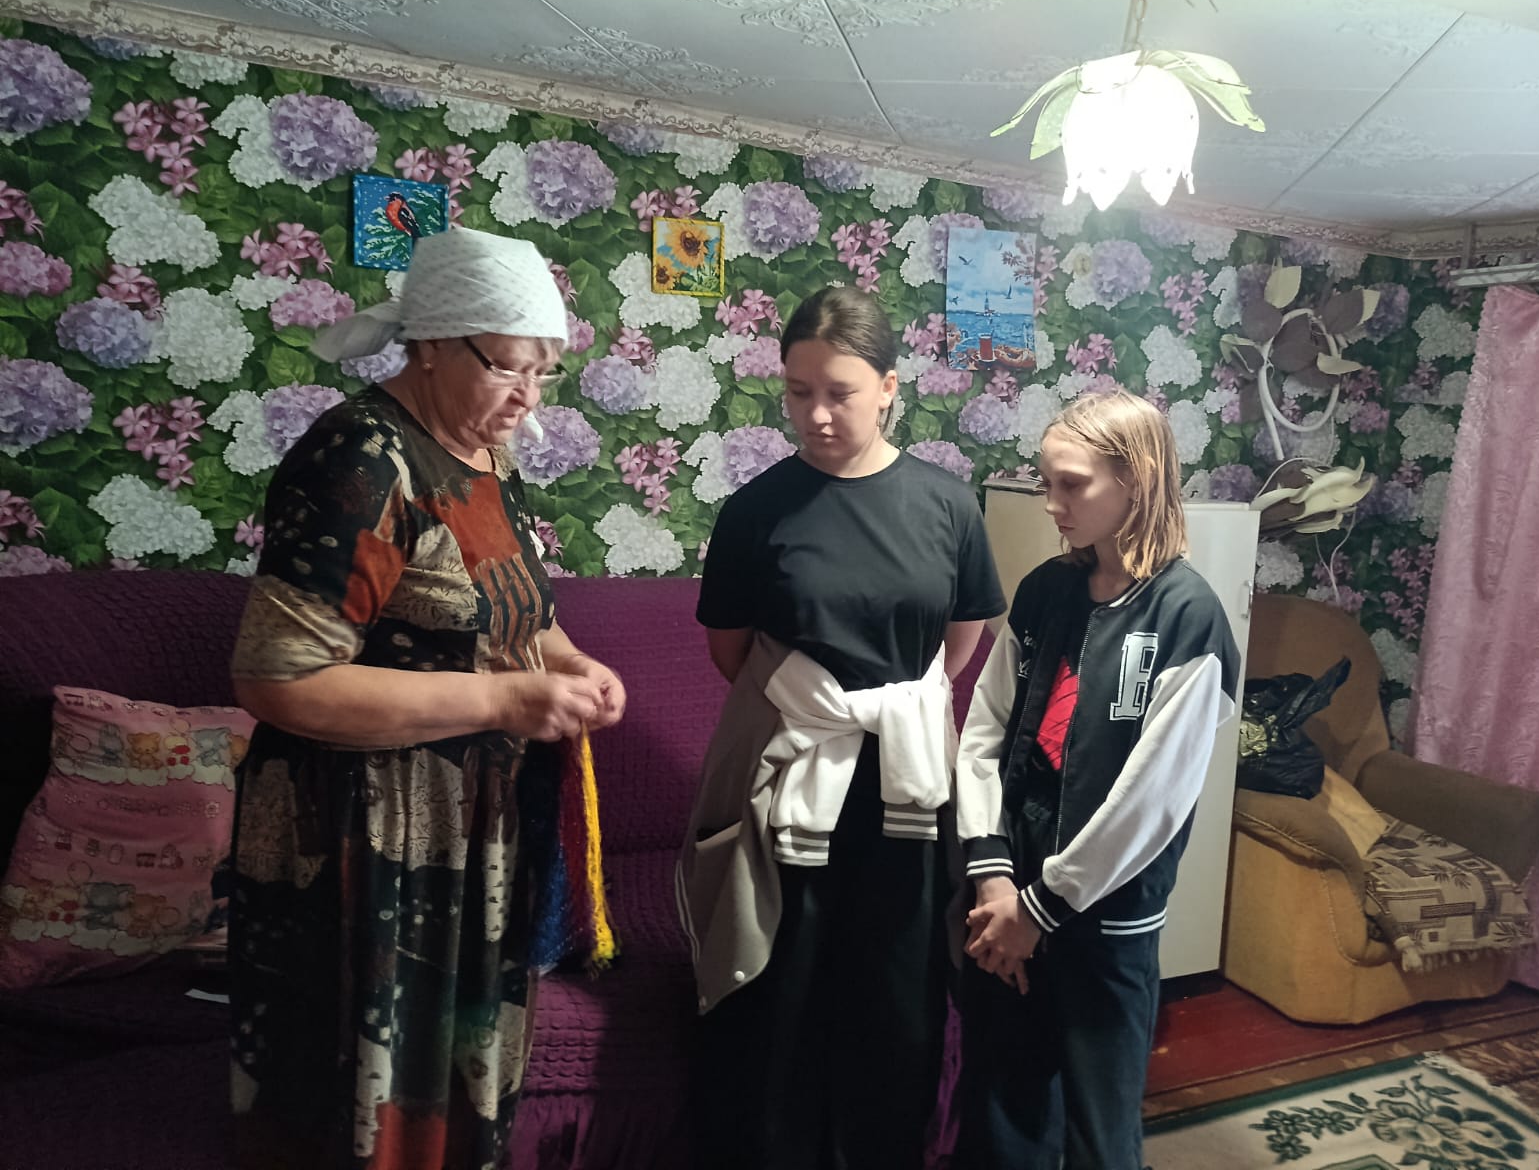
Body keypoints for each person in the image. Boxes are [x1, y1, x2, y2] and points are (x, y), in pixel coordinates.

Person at [226, 227, 626, 1170]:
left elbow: (509, 614)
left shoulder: (484, 457)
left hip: (469, 828)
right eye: (509, 368)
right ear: (434, 344)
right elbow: (278, 678)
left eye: (544, 373)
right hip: (361, 832)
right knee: (360, 1106)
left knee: (452, 1091)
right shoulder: (358, 461)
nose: (528, 400)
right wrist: (502, 704)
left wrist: (570, 662)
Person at [678, 285, 1008, 1170]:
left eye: (840, 393)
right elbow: (734, 656)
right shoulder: (755, 511)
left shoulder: (947, 505)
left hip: (906, 790)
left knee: (897, 998)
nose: (816, 414)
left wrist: (882, 711)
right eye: (798, 392)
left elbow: (958, 646)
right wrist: (826, 710)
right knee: (781, 991)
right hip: (793, 779)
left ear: (889, 388)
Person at [953, 390, 1239, 1170]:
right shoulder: (1044, 591)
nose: (1052, 503)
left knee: (1098, 1126)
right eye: (1045, 482)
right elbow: (984, 731)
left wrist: (1041, 909)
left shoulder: (1185, 616)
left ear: (1134, 480)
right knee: (1001, 1103)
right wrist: (992, 876)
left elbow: (1150, 801)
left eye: (1071, 485)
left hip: (1103, 918)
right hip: (1007, 891)